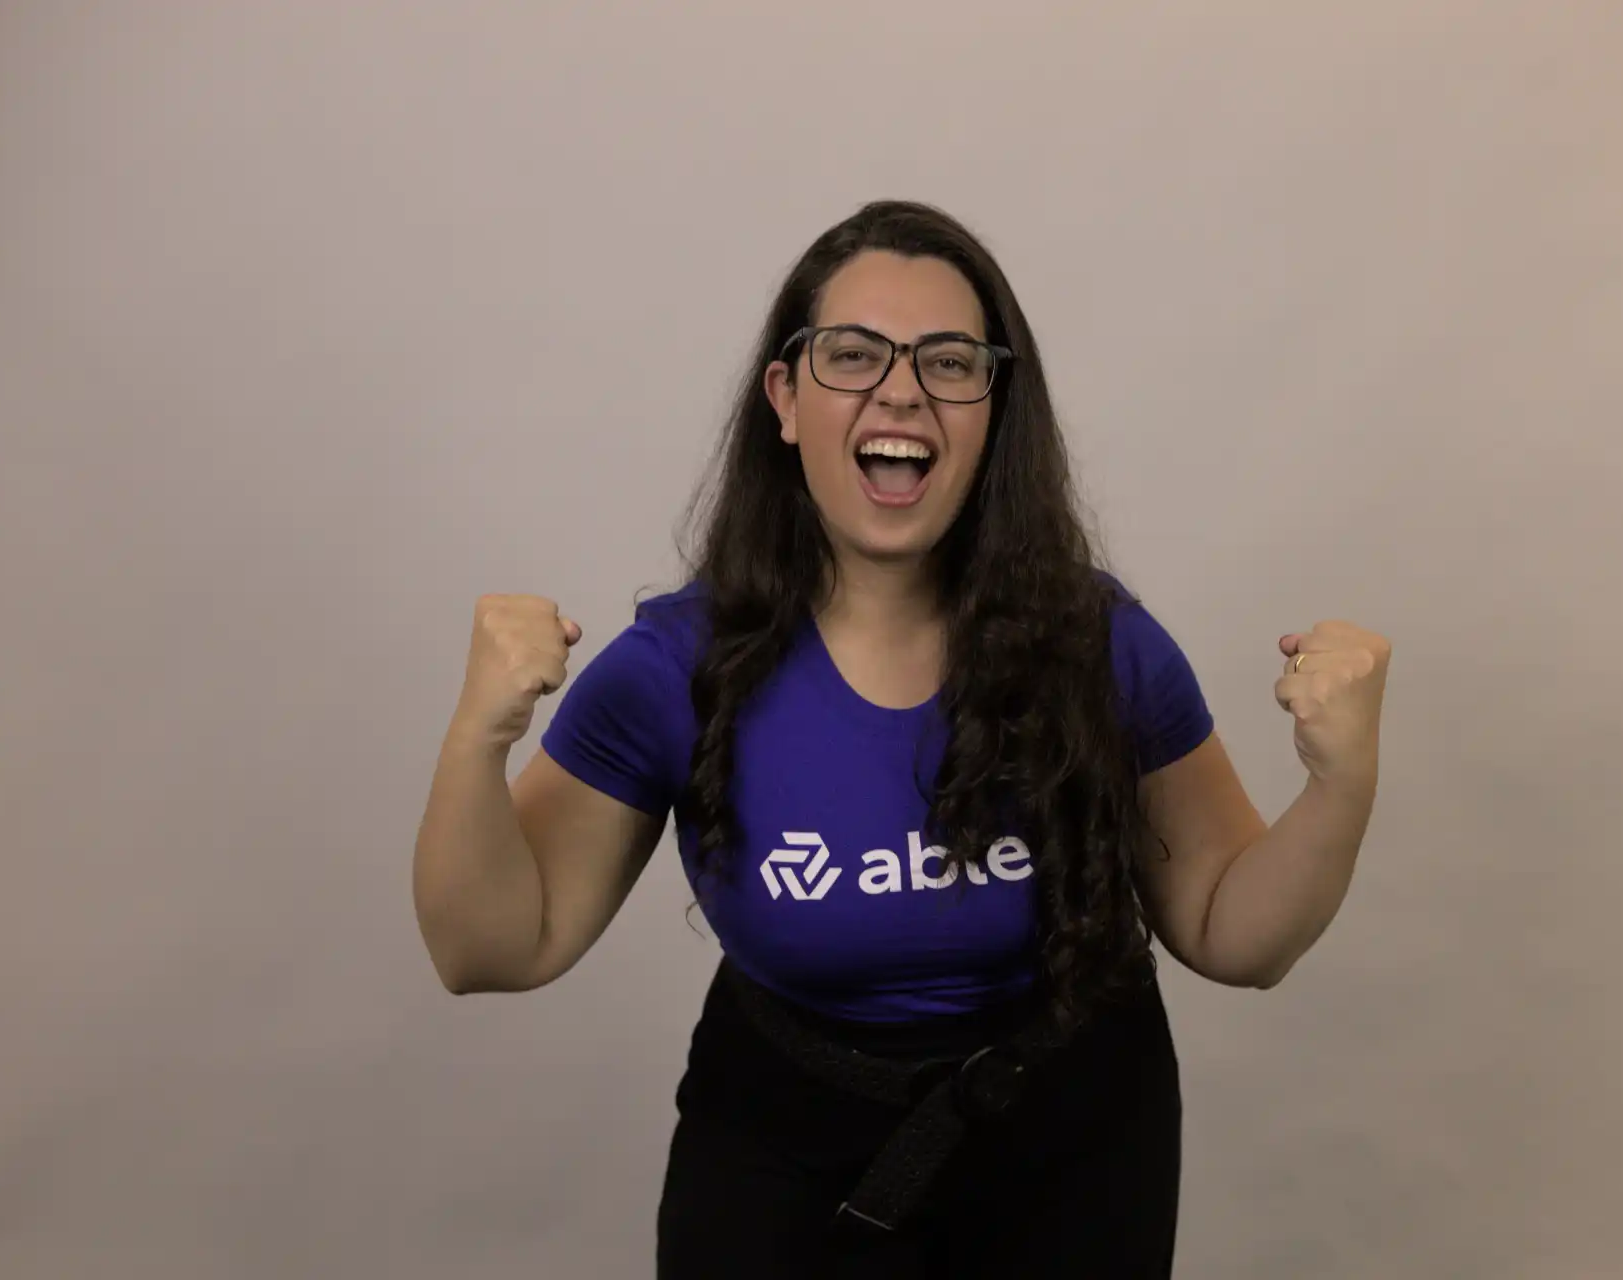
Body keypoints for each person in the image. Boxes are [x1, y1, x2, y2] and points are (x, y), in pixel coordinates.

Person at [411, 199, 1391, 1278]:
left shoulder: (1099, 643)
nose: (901, 390)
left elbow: (1230, 931)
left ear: (992, 405)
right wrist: (477, 739)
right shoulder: (671, 670)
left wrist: (1338, 784)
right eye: (853, 354)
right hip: (784, 1161)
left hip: (1073, 1154)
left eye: (949, 362)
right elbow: (491, 946)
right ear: (785, 397)